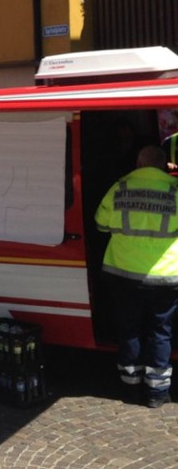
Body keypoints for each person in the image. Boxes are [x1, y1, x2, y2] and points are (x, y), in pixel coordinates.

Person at [95, 144, 178, 408]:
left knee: (129, 329)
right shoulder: (174, 190)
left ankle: (130, 388)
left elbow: (101, 223)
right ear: (165, 166)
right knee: (160, 332)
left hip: (122, 273)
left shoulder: (119, 187)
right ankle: (157, 393)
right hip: (165, 276)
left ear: (139, 164)